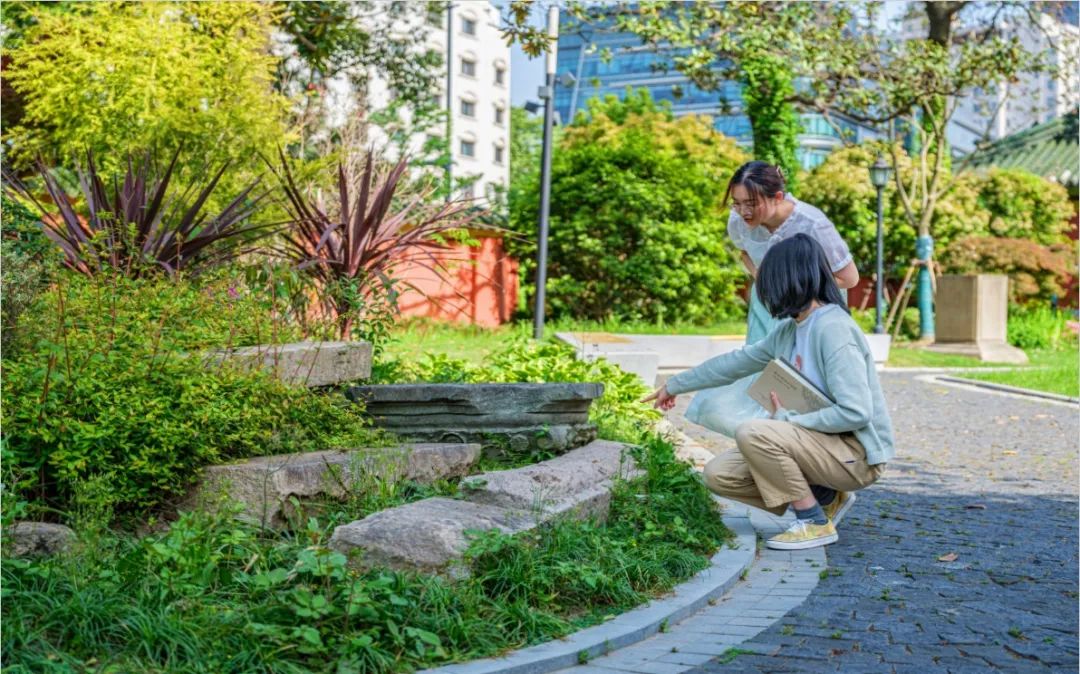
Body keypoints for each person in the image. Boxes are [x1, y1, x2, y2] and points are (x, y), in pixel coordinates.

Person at [642, 234, 894, 551]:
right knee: (719, 475)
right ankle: (824, 494)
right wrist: (674, 385)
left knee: (755, 432)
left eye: (769, 280)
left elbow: (857, 411)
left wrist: (787, 421)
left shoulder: (833, 329)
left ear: (791, 279)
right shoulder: (790, 330)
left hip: (855, 455)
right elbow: (735, 363)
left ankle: (813, 521)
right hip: (817, 446)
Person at [685, 160, 859, 438]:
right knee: (758, 378)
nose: (743, 211)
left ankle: (807, 448)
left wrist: (796, 292)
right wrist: (763, 281)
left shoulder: (812, 224)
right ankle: (764, 445)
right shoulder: (738, 222)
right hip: (766, 304)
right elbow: (744, 252)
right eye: (736, 203)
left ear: (777, 197)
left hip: (809, 311)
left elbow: (849, 279)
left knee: (800, 380)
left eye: (751, 203)